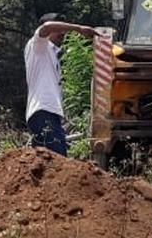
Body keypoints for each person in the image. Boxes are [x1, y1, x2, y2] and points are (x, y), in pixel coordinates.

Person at [25, 14, 98, 156]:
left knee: (48, 163)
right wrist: (79, 29)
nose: (63, 33)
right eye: (59, 28)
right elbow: (46, 27)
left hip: (49, 112)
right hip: (43, 110)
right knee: (58, 160)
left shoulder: (52, 52)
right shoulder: (38, 46)